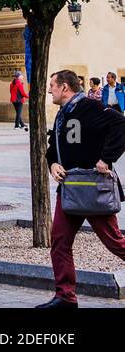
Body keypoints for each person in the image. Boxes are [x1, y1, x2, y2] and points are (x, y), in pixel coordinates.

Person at [39, 69, 125, 308]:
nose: (49, 90)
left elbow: (121, 125)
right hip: (69, 189)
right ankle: (65, 297)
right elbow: (53, 146)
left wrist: (107, 158)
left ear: (65, 87)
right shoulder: (62, 115)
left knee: (114, 242)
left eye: (52, 86)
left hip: (93, 188)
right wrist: (53, 162)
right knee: (60, 241)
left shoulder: (91, 107)